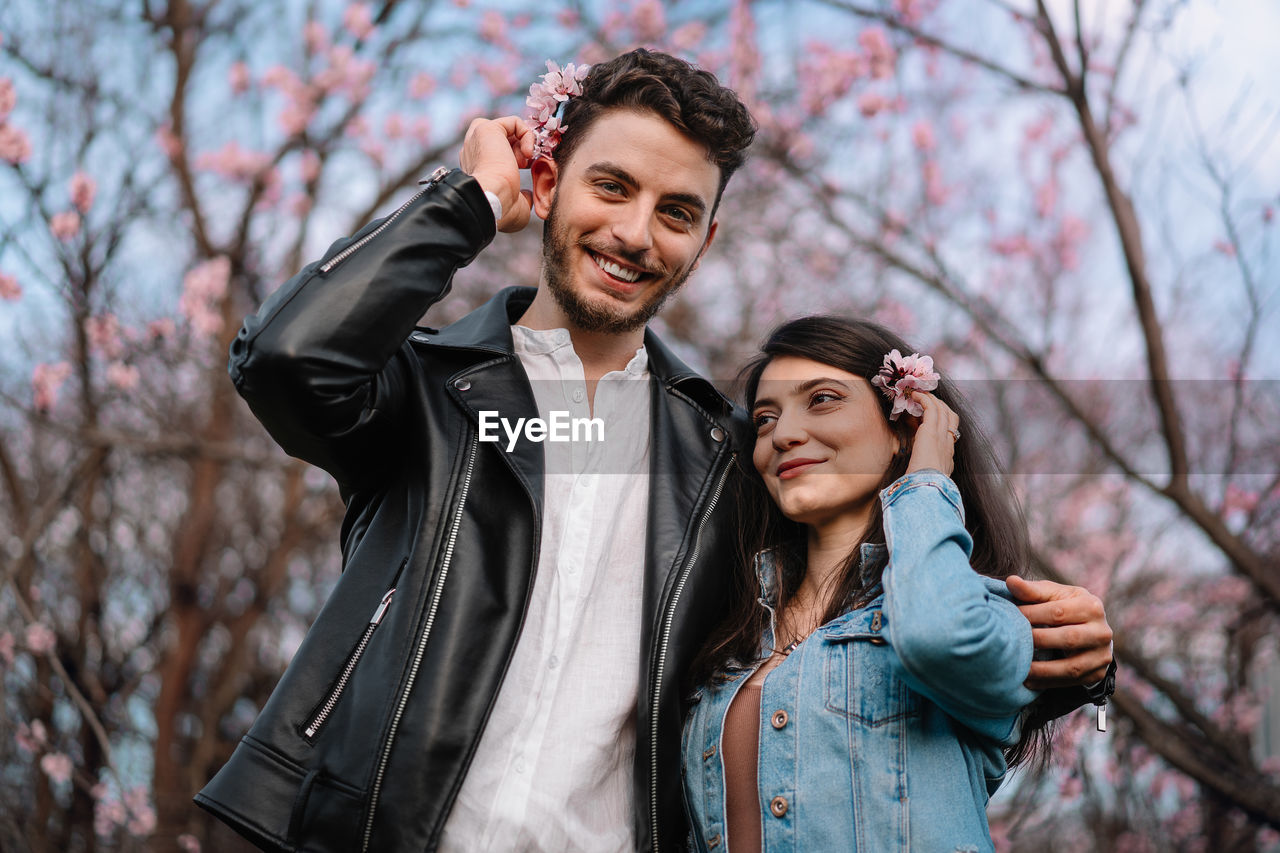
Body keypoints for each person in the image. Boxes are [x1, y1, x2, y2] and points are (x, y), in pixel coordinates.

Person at [196, 50, 1113, 852]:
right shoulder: (428, 393)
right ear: (548, 183)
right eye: (612, 187)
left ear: (704, 242)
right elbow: (285, 361)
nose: (637, 234)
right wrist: (465, 203)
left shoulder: (723, 456)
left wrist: (1068, 660)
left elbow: (853, 638)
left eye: (677, 212)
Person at [682, 315, 1065, 852]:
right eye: (766, 418)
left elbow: (938, 635)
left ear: (903, 429)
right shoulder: (730, 637)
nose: (783, 434)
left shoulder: (986, 611)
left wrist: (927, 478)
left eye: (821, 399)